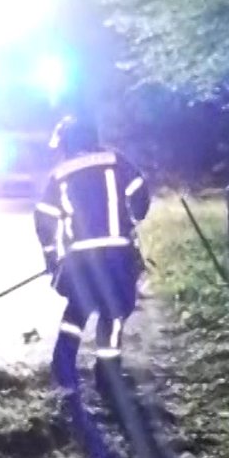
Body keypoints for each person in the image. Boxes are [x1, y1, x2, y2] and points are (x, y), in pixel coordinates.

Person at [34, 111, 151, 389]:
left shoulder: (61, 173)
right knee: (113, 314)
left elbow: (44, 218)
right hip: (118, 256)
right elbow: (140, 193)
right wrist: (132, 218)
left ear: (69, 142)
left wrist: (51, 255)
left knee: (76, 311)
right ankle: (108, 376)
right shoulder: (117, 161)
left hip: (81, 259)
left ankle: (63, 372)